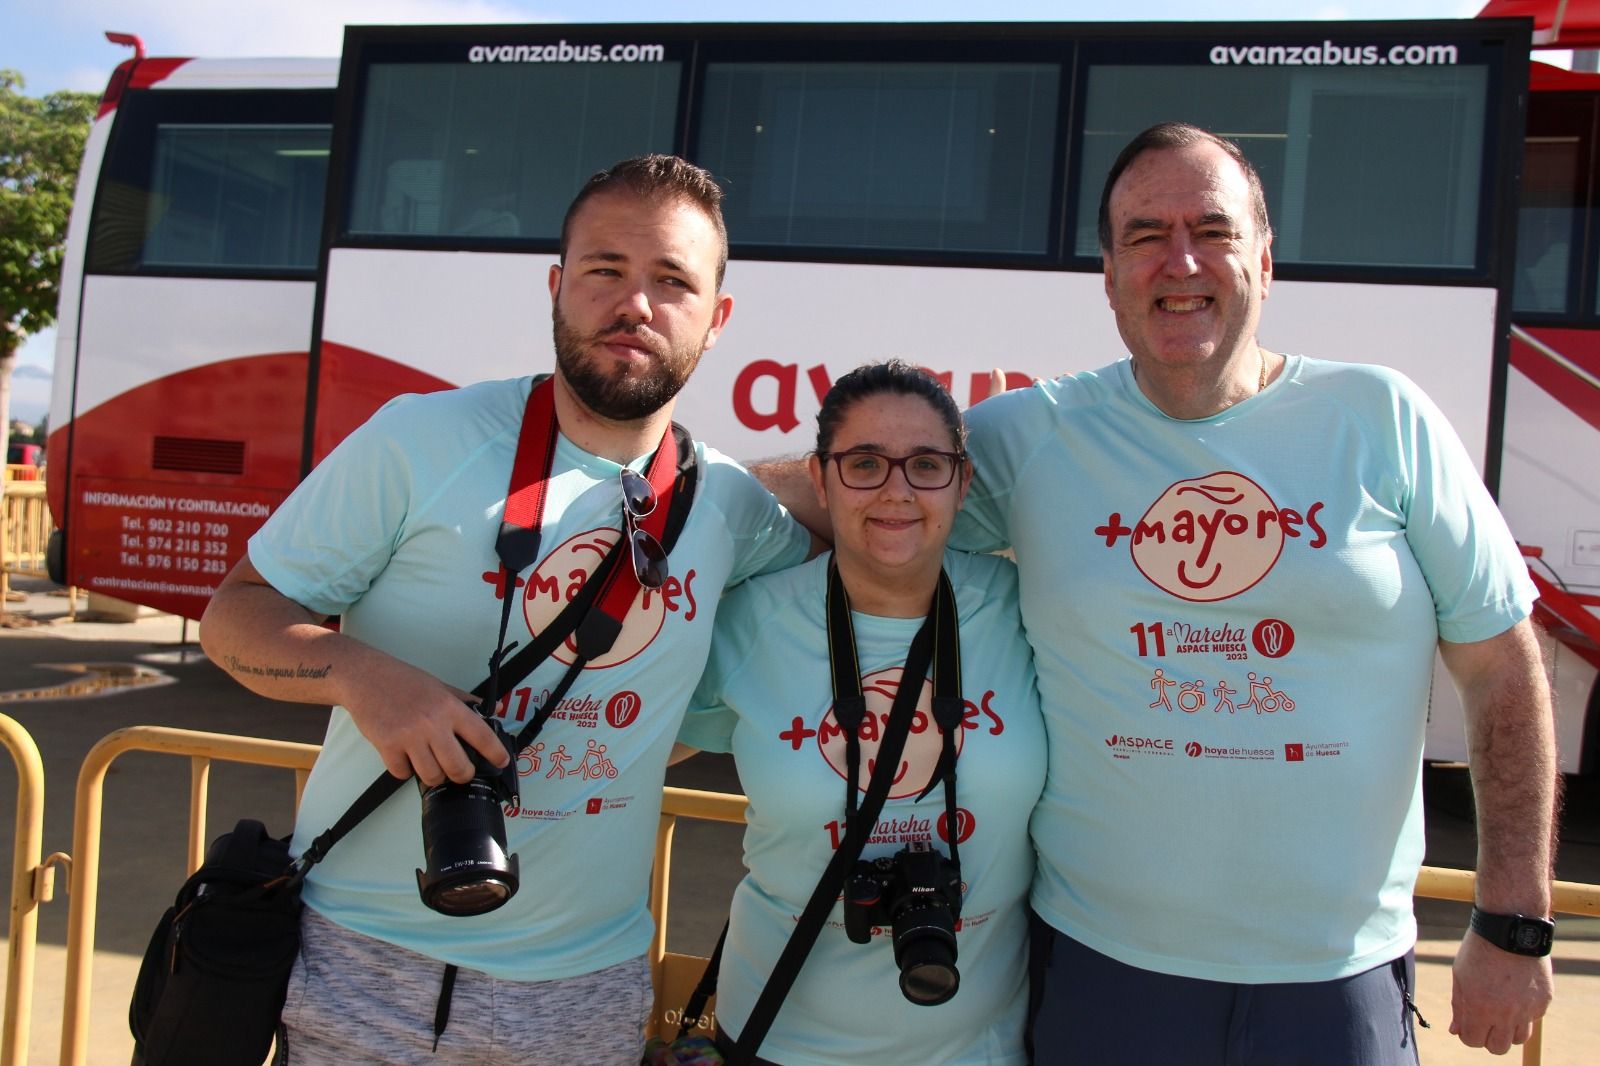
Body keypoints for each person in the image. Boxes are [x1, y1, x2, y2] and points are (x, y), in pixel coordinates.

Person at [948, 123, 1559, 1063]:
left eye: (1213, 230)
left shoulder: (1382, 419)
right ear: (1108, 276)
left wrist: (1514, 919)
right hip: (1104, 971)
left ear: (1265, 263)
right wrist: (697, 481)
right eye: (1145, 235)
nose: (1180, 260)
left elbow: (1501, 668)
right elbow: (854, 493)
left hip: (1339, 985)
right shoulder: (1029, 436)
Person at [198, 155, 811, 1064]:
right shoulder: (420, 439)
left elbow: (863, 518)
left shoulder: (727, 506)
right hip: (363, 969)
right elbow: (233, 617)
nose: (635, 304)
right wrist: (365, 679)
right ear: (557, 287)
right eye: (605, 269)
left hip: (585, 994)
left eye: (672, 280)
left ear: (716, 318)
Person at [680, 361, 1046, 1065]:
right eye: (865, 464)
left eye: (927, 465)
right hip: (776, 1036)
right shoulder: (751, 620)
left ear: (963, 482)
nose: (896, 491)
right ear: (819, 481)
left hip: (980, 1048)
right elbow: (634, 751)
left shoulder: (1023, 610)